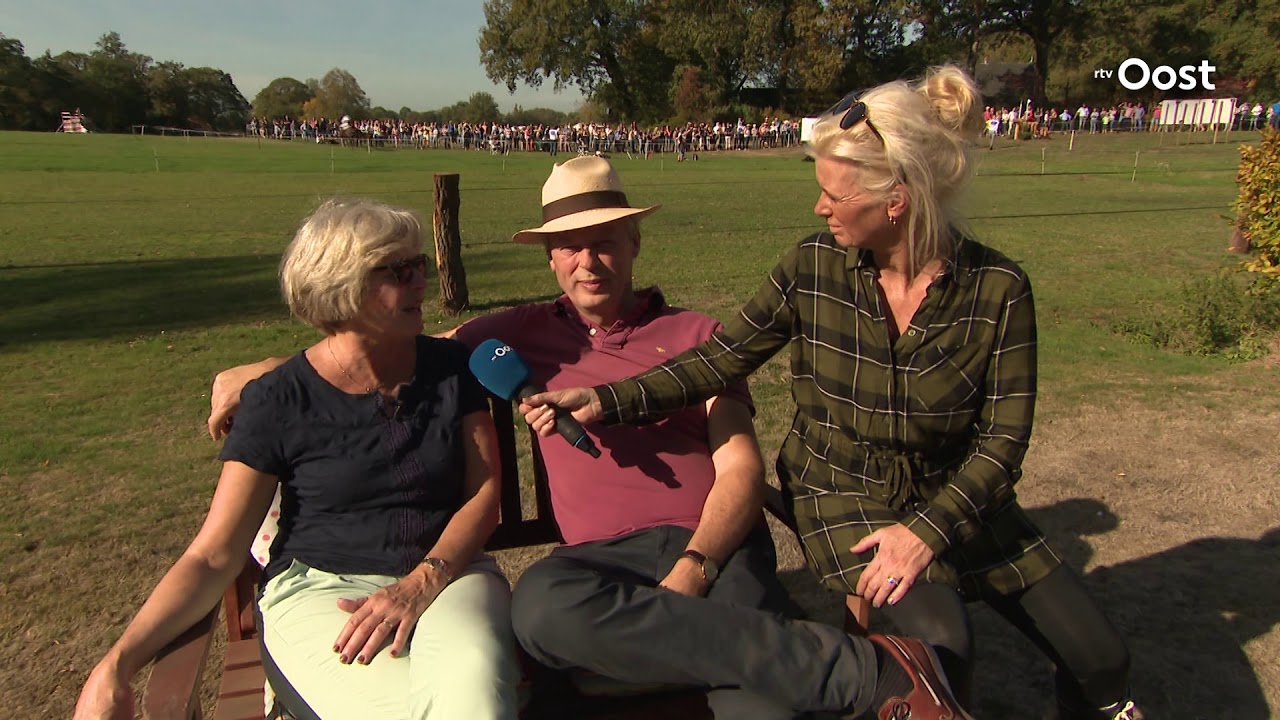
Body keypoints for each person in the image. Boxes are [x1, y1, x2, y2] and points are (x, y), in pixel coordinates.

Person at [207, 157, 974, 720]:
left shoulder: (699, 336)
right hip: (598, 567)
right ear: (549, 256)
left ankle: (836, 672)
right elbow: (377, 342)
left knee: (752, 695)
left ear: (634, 242)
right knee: (539, 609)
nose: (588, 260)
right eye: (570, 245)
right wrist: (262, 372)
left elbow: (739, 468)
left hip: (710, 543)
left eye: (605, 239)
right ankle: (854, 667)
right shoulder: (514, 336)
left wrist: (698, 565)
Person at [525, 68, 1144, 720]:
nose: (819, 208)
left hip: (957, 495)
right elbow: (723, 359)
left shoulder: (998, 290)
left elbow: (1003, 442)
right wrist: (605, 401)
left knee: (1103, 659)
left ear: (895, 200)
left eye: (833, 194)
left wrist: (927, 532)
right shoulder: (813, 267)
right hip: (844, 490)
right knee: (945, 646)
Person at [74, 200, 518, 720]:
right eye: (399, 271)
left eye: (419, 264)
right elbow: (214, 555)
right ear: (342, 288)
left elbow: (483, 494)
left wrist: (424, 580)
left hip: (448, 577)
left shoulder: (451, 369)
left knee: (474, 691)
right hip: (322, 590)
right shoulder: (278, 400)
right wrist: (117, 665)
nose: (422, 281)